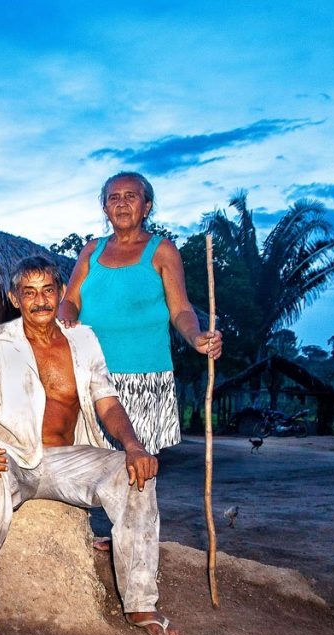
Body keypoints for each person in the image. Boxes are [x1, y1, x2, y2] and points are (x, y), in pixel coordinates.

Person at [0, 255, 182, 635]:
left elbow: (106, 400)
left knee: (134, 474)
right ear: (14, 298)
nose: (40, 301)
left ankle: (141, 603)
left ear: (60, 294)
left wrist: (134, 445)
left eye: (48, 290)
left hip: (69, 458)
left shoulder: (83, 339)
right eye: (29, 292)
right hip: (14, 456)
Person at [58, 172, 222, 455]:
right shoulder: (91, 251)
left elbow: (181, 308)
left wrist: (196, 337)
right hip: (91, 373)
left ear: (146, 207)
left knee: (136, 468)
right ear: (105, 208)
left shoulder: (162, 251)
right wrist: (66, 319)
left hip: (143, 378)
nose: (121, 204)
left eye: (130, 196)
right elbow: (69, 300)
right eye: (114, 198)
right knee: (88, 468)